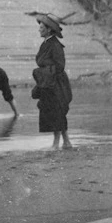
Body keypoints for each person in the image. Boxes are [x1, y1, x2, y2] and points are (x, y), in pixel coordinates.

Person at [33, 13, 73, 150]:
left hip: (55, 82)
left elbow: (60, 66)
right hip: (47, 81)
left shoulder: (55, 45)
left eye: (42, 27)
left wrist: (46, 73)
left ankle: (57, 143)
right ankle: (66, 142)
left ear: (49, 29)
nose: (39, 29)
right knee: (53, 111)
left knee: (57, 111)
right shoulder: (46, 43)